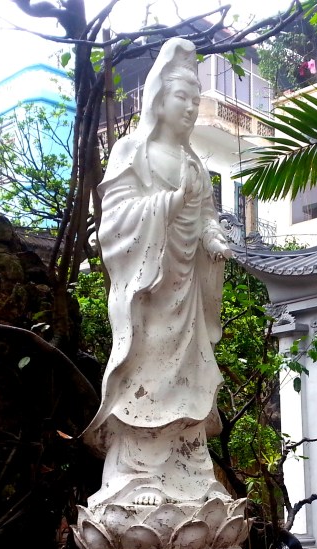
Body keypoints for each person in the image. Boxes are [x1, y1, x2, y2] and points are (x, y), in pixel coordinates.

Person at [83, 37, 232, 508]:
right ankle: (136, 475)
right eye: (181, 98)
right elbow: (116, 218)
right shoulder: (134, 151)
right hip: (147, 290)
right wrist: (167, 204)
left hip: (187, 290)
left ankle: (189, 469)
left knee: (191, 374)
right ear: (158, 101)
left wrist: (213, 239)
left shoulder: (195, 164)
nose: (189, 108)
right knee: (146, 375)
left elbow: (206, 215)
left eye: (195, 100)